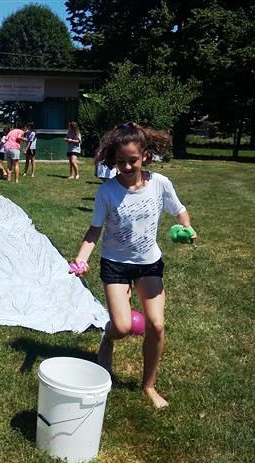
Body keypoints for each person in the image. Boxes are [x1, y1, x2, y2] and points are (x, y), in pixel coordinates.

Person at [71, 122, 196, 409]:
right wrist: (81, 258)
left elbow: (179, 210)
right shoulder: (107, 192)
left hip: (148, 264)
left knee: (157, 325)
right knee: (123, 326)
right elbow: (94, 230)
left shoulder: (160, 184)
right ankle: (108, 337)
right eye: (120, 162)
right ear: (113, 160)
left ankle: (148, 385)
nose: (126, 167)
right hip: (115, 265)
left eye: (133, 160)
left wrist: (187, 227)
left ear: (145, 156)